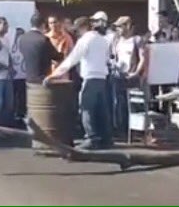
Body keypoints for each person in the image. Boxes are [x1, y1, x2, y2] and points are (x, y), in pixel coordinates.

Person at [44, 16, 112, 149]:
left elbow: (72, 59)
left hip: (90, 78)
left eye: (78, 30)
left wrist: (54, 75)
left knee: (86, 109)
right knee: (102, 110)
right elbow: (106, 58)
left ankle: (91, 138)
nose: (77, 33)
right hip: (102, 78)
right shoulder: (103, 40)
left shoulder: (85, 40)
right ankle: (106, 138)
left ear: (83, 27)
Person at [110, 16, 144, 133]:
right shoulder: (117, 40)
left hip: (132, 76)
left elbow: (143, 58)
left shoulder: (137, 40)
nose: (118, 29)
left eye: (120, 26)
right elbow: (113, 56)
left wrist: (136, 73)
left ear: (128, 26)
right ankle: (121, 129)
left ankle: (136, 130)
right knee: (119, 103)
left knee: (134, 104)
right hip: (119, 75)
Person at [18, 12, 63, 85]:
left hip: (28, 78)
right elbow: (57, 56)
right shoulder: (43, 39)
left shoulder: (22, 38)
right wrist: (62, 52)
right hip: (43, 80)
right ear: (43, 25)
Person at [11, 27, 27, 127]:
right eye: (17, 34)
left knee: (22, 96)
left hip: (23, 75)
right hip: (13, 76)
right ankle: (13, 114)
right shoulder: (11, 46)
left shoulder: (25, 47)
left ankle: (21, 114)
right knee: (13, 96)